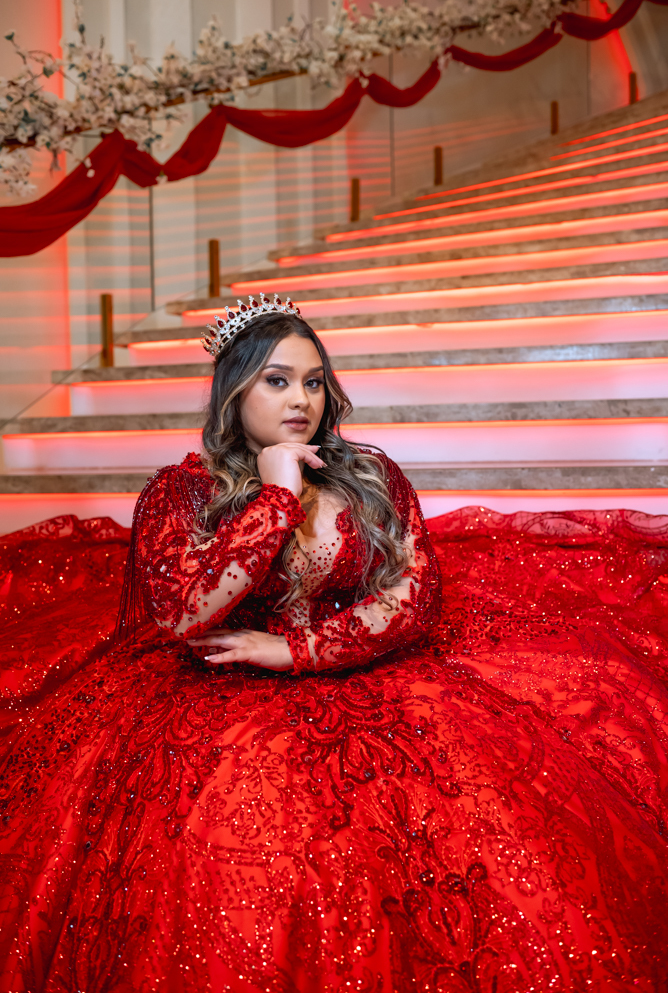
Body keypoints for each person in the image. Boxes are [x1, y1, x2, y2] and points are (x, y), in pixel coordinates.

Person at [0, 294, 667, 993]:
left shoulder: (368, 474)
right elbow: (185, 612)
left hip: (351, 667)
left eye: (314, 381)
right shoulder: (181, 492)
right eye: (277, 380)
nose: (302, 400)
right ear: (234, 391)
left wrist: (299, 650)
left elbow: (414, 595)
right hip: (217, 693)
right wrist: (277, 497)